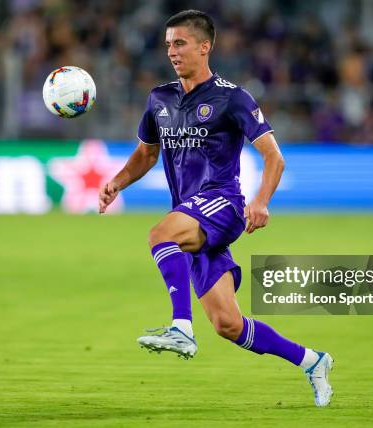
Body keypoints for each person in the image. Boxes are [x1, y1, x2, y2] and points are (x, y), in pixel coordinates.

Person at [98, 10, 334, 407]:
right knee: (228, 324)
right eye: (168, 44)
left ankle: (180, 327)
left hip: (223, 203)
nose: (171, 52)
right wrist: (116, 183)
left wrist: (261, 201)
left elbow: (274, 157)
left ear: (204, 47)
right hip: (191, 215)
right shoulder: (160, 99)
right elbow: (145, 153)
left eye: (180, 43)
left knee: (159, 235)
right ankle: (313, 361)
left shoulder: (232, 97)